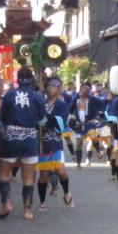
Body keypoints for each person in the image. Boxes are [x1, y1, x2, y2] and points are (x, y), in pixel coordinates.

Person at [0, 67, 45, 220]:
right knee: (29, 177)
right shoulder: (37, 97)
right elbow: (42, 121)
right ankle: (27, 211)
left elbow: (2, 120)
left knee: (4, 174)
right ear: (32, 80)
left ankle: (5, 203)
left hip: (10, 138)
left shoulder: (9, 95)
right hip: (29, 139)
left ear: (17, 80)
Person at [36, 77, 74, 211]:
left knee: (61, 171)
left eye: (53, 86)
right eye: (48, 85)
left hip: (55, 142)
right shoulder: (41, 102)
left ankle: (66, 193)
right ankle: (42, 202)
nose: (50, 88)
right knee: (43, 175)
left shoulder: (62, 105)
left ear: (59, 88)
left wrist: (44, 117)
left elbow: (61, 124)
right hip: (42, 143)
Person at [68, 82, 103, 168]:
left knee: (93, 137)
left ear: (88, 91)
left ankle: (98, 150)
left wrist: (100, 116)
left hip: (90, 123)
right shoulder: (76, 99)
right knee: (79, 143)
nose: (83, 91)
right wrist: (71, 116)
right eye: (81, 89)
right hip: (79, 125)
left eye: (85, 90)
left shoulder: (92, 99)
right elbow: (69, 109)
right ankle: (78, 163)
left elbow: (102, 103)